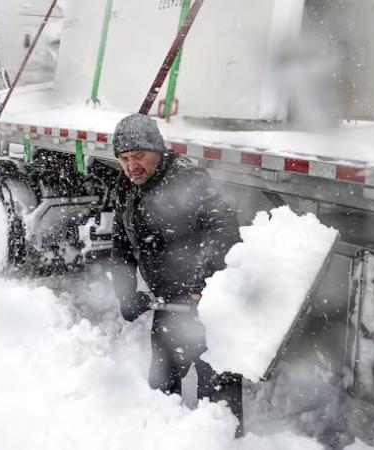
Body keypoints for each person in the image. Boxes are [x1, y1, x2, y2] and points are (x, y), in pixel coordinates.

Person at [109, 113, 244, 436]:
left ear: (158, 150)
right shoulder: (126, 189)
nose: (132, 166)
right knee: (160, 395)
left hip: (209, 310)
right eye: (125, 159)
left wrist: (200, 288)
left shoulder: (188, 181)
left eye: (139, 155)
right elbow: (121, 247)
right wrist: (126, 294)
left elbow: (223, 230)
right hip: (169, 307)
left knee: (219, 405)